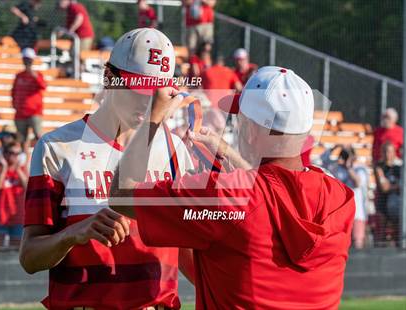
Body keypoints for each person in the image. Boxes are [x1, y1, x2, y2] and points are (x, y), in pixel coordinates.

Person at [110, 66, 355, 309]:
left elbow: (121, 195)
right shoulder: (341, 198)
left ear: (250, 130)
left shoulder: (227, 194)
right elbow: (274, 192)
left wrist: (154, 118)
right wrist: (231, 157)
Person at [19, 28, 195, 309]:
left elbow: (187, 253)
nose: (148, 103)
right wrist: (73, 235)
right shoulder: (57, 147)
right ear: (109, 77)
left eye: (157, 93)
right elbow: (29, 258)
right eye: (139, 91)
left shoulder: (175, 151)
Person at [321, 146, 369, 249]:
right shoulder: (336, 168)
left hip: (357, 214)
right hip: (340, 213)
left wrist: (349, 167)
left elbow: (358, 182)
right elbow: (323, 159)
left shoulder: (360, 169)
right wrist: (335, 147)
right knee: (340, 243)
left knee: (357, 242)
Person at [0, 141, 27, 249]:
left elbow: (27, 186)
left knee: (15, 252)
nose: (13, 156)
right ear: (4, 153)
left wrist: (18, 169)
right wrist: (4, 168)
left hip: (18, 216)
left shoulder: (22, 169)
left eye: (17, 153)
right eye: (10, 153)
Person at [12, 48, 46, 152]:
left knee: (39, 136)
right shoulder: (19, 76)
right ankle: (24, 162)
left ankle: (44, 157)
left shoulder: (37, 75)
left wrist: (32, 73)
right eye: (25, 60)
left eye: (29, 60)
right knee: (22, 139)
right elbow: (13, 91)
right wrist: (15, 105)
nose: (27, 62)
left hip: (34, 112)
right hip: (21, 113)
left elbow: (43, 86)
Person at [374, 142, 402, 245]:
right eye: (385, 151)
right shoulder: (379, 167)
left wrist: (393, 187)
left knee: (397, 229)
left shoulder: (400, 167)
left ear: (394, 152)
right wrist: (397, 187)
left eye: (390, 151)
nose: (387, 154)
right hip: (383, 202)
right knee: (382, 229)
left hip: (397, 203)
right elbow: (384, 187)